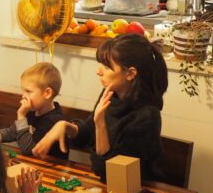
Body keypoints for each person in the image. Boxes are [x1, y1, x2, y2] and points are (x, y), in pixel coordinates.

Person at [32, 34, 168, 181]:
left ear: (130, 74)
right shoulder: (112, 93)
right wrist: (65, 126)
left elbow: (108, 173)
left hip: (138, 190)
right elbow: (89, 133)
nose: (99, 71)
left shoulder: (147, 117)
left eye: (107, 67)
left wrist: (100, 123)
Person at [0, 62, 68, 159]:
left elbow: (28, 149)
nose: (23, 95)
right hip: (34, 165)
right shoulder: (32, 112)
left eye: (28, 91)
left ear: (47, 93)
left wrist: (21, 116)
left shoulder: (54, 120)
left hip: (52, 169)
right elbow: (12, 132)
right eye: (23, 90)